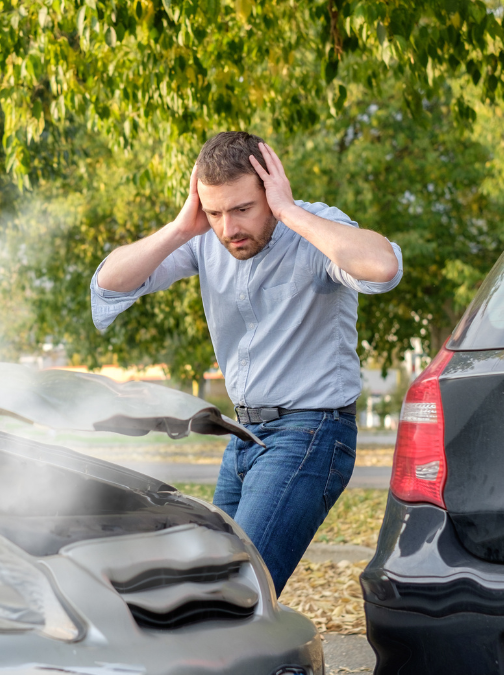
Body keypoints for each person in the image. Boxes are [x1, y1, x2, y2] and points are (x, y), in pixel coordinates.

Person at [90, 131, 403, 595]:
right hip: (241, 438)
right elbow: (108, 285)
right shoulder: (205, 237)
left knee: (236, 594)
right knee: (209, 588)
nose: (228, 228)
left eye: (243, 209)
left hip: (310, 434)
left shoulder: (314, 228)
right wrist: (182, 228)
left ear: (270, 191)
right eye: (215, 212)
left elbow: (383, 268)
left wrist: (289, 212)